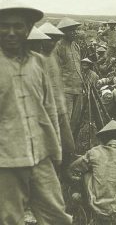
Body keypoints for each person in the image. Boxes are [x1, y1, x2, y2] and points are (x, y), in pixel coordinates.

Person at [0, 0, 72, 225]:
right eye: (4, 26)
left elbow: (49, 109)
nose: (11, 33)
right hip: (6, 161)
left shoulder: (39, 62)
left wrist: (56, 149)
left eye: (18, 26)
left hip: (41, 155)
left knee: (57, 216)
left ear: (28, 29)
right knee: (10, 219)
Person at [38, 21, 75, 169]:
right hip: (44, 109)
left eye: (55, 39)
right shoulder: (36, 58)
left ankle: (65, 171)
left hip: (60, 108)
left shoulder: (53, 57)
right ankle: (54, 173)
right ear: (41, 40)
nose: (52, 42)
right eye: (49, 39)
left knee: (68, 144)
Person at [54, 17, 83, 130]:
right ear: (63, 32)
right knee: (65, 120)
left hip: (78, 88)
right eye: (72, 30)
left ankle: (70, 144)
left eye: (76, 30)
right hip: (65, 90)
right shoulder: (58, 47)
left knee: (74, 121)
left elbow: (78, 67)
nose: (75, 33)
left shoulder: (76, 46)